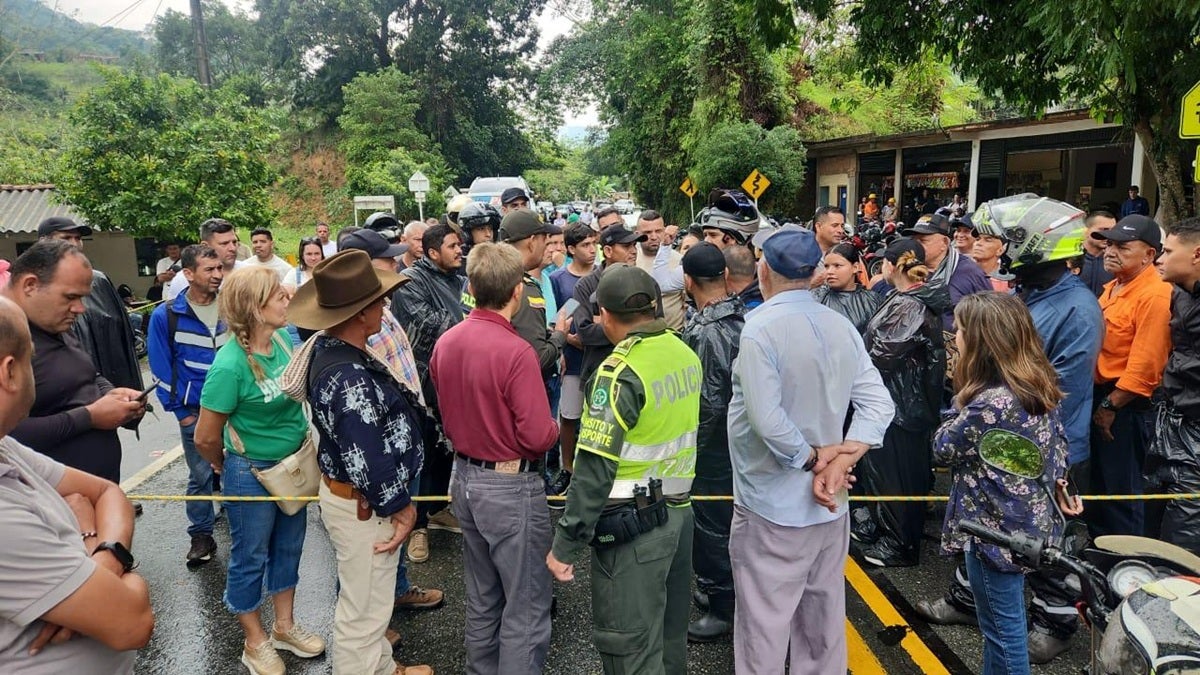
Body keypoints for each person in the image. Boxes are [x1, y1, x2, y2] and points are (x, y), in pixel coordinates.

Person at [917, 194, 1104, 662]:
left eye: (1005, 240)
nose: (998, 247)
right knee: (988, 540)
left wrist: (981, 403)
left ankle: (1054, 622)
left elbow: (1058, 389)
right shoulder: (1027, 294)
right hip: (995, 446)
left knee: (1039, 548)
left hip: (1043, 450)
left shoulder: (1076, 308)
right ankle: (968, 602)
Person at [727, 228, 894, 674]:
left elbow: (767, 419)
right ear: (815, 271)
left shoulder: (760, 328)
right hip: (830, 504)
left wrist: (816, 459)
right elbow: (879, 403)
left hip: (771, 503)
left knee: (764, 626)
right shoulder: (838, 324)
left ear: (764, 269)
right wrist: (843, 460)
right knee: (822, 623)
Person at [547, 265, 701, 675]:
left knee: (628, 648)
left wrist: (566, 543)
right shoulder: (683, 352)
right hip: (679, 514)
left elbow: (594, 469)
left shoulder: (618, 374)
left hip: (634, 528)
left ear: (605, 315)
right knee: (669, 640)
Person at [288, 251, 432, 675]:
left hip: (358, 502)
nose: (385, 308)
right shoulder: (349, 375)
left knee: (371, 601)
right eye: (378, 302)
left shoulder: (334, 351)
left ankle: (382, 667)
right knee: (363, 612)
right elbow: (367, 457)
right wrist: (400, 507)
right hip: (365, 507)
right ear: (361, 313)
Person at [0, 297, 153, 674]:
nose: (80, 307)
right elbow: (133, 622)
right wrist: (93, 536)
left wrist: (105, 560)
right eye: (31, 357)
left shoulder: (6, 447)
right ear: (10, 372)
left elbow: (107, 492)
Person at [934, 292, 1082, 675]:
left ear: (981, 342)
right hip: (1028, 525)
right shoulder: (1036, 384)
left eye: (960, 329)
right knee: (1000, 630)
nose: (955, 335)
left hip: (992, 533)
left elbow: (943, 448)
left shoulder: (988, 403)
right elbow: (1059, 448)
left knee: (1004, 635)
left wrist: (959, 399)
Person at [432, 243, 559, 675]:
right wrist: (556, 428)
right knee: (525, 604)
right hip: (509, 484)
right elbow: (538, 436)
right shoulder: (516, 352)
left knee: (483, 597)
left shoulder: (447, 342)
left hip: (465, 477)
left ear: (470, 287)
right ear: (517, 291)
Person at [194, 266, 325, 675]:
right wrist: (224, 465)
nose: (288, 299)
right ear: (254, 308)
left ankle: (284, 627)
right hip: (250, 472)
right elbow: (205, 436)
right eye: (279, 296)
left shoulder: (283, 340)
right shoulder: (228, 366)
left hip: (293, 466)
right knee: (249, 556)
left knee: (289, 547)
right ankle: (255, 642)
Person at [334, 231, 445, 603]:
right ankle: (366, 617)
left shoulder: (382, 307)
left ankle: (395, 591)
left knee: (394, 530)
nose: (396, 263)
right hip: (382, 449)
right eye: (386, 259)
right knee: (373, 540)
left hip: (404, 435)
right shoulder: (353, 328)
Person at [3, 241, 145, 482]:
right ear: (30, 285)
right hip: (49, 498)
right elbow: (7, 433)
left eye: (82, 298)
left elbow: (88, 373)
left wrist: (111, 394)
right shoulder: (7, 337)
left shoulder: (51, 322)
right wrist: (89, 417)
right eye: (70, 297)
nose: (80, 308)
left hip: (93, 490)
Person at [857, 238, 949, 567]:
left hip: (902, 407)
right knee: (888, 474)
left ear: (893, 265)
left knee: (896, 476)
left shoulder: (910, 305)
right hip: (899, 403)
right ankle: (887, 530)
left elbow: (881, 354)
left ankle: (899, 544)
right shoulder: (905, 299)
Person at [1089, 214, 1172, 538]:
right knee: (1101, 487)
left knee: (1121, 493)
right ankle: (1100, 555)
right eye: (1109, 244)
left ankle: (1126, 561)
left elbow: (1146, 365)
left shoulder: (1155, 295)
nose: (1111, 251)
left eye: (1123, 247)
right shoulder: (1115, 286)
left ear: (1149, 254)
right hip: (1104, 398)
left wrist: (1110, 406)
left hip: (1125, 406)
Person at [679, 243, 745, 642]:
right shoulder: (742, 314)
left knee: (713, 527)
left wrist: (691, 453)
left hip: (714, 449)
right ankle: (721, 590)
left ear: (688, 281)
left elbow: (709, 403)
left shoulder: (707, 330)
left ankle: (723, 606)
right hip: (739, 442)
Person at [146, 244, 227, 566]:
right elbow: (160, 368)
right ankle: (201, 535)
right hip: (195, 413)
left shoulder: (231, 306)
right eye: (210, 269)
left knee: (239, 471)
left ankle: (245, 531)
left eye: (219, 268)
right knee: (200, 474)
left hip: (235, 410)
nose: (217, 275)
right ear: (189, 274)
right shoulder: (166, 315)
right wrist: (182, 414)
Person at [391, 224, 470, 546]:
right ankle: (417, 527)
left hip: (454, 376)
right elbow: (430, 323)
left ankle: (438, 509)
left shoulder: (460, 278)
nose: (459, 250)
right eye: (452, 246)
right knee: (422, 451)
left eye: (460, 245)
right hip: (422, 381)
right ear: (433, 252)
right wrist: (474, 324)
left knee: (447, 447)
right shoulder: (411, 281)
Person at [38, 218, 144, 393]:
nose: (74, 244)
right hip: (65, 390)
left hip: (112, 383)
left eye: (78, 238)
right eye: (66, 238)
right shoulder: (33, 284)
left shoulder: (98, 281)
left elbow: (124, 333)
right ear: (44, 241)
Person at [1149, 216, 1200, 555]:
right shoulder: (1179, 293)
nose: (1159, 259)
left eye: (1168, 252)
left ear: (1196, 254)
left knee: (1185, 539)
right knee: (1158, 528)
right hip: (1173, 422)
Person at [548, 224, 599, 497]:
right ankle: (567, 469)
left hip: (601, 359)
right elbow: (555, 320)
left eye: (594, 244)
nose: (592, 250)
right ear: (570, 249)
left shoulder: (604, 275)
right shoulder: (558, 279)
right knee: (569, 416)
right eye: (585, 245)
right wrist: (569, 340)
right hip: (573, 360)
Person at [499, 209, 569, 384]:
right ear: (531, 242)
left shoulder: (487, 279)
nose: (546, 246)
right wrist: (560, 335)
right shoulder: (524, 288)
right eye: (544, 240)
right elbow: (538, 359)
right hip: (525, 385)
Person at [899, 212, 991, 330]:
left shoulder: (969, 272)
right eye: (914, 241)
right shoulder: (907, 269)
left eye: (923, 241)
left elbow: (989, 318)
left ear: (944, 242)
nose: (916, 246)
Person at [810, 243, 881, 336]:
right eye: (827, 266)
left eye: (837, 265)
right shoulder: (815, 297)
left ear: (855, 267)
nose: (829, 271)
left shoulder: (873, 300)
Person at [635, 210, 687, 330]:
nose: (654, 237)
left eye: (658, 231)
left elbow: (688, 303)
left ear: (664, 230)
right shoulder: (631, 261)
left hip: (675, 333)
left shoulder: (679, 260)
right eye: (648, 232)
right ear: (637, 234)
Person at [166, 218, 240, 302]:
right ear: (205, 245)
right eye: (224, 243)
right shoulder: (183, 279)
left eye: (234, 242)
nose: (232, 248)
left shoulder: (249, 272)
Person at [1079, 210, 1117, 296]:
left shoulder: (1116, 260)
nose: (1108, 235)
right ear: (1086, 231)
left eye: (1113, 230)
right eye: (1104, 230)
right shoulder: (1070, 260)